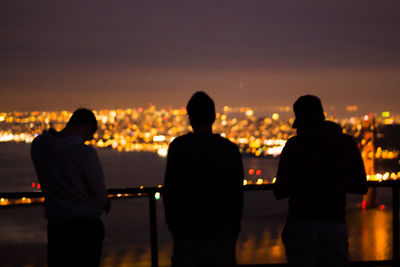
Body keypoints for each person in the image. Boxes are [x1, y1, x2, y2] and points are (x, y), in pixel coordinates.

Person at [273, 95, 368, 267]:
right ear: (322, 115)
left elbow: (280, 191)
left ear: (299, 119)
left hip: (299, 223)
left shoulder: (293, 146)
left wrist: (304, 183)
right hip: (334, 223)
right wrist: (334, 182)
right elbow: (361, 186)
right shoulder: (346, 143)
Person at [163, 91, 244, 267]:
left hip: (187, 234)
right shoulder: (229, 149)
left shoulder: (178, 148)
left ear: (190, 118)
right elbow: (237, 195)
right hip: (222, 234)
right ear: (214, 117)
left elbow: (170, 191)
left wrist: (174, 227)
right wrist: (233, 230)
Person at [31, 108, 110, 267]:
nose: (87, 141)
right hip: (86, 229)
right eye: (88, 137)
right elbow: (99, 193)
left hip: (57, 227)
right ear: (85, 128)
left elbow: (47, 137)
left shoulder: (40, 146)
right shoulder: (86, 153)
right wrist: (105, 203)